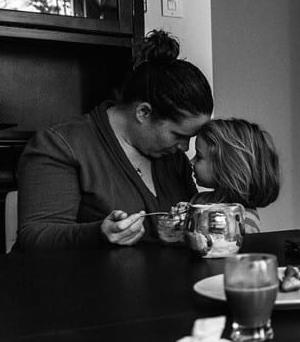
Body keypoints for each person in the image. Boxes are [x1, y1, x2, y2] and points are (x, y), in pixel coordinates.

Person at [16, 30, 213, 250]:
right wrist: (98, 233)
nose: (185, 148)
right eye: (178, 135)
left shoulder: (172, 157)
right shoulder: (60, 145)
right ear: (144, 113)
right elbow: (33, 238)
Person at [189, 118, 281, 233]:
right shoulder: (198, 200)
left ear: (225, 166)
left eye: (199, 156)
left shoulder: (244, 218)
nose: (191, 161)